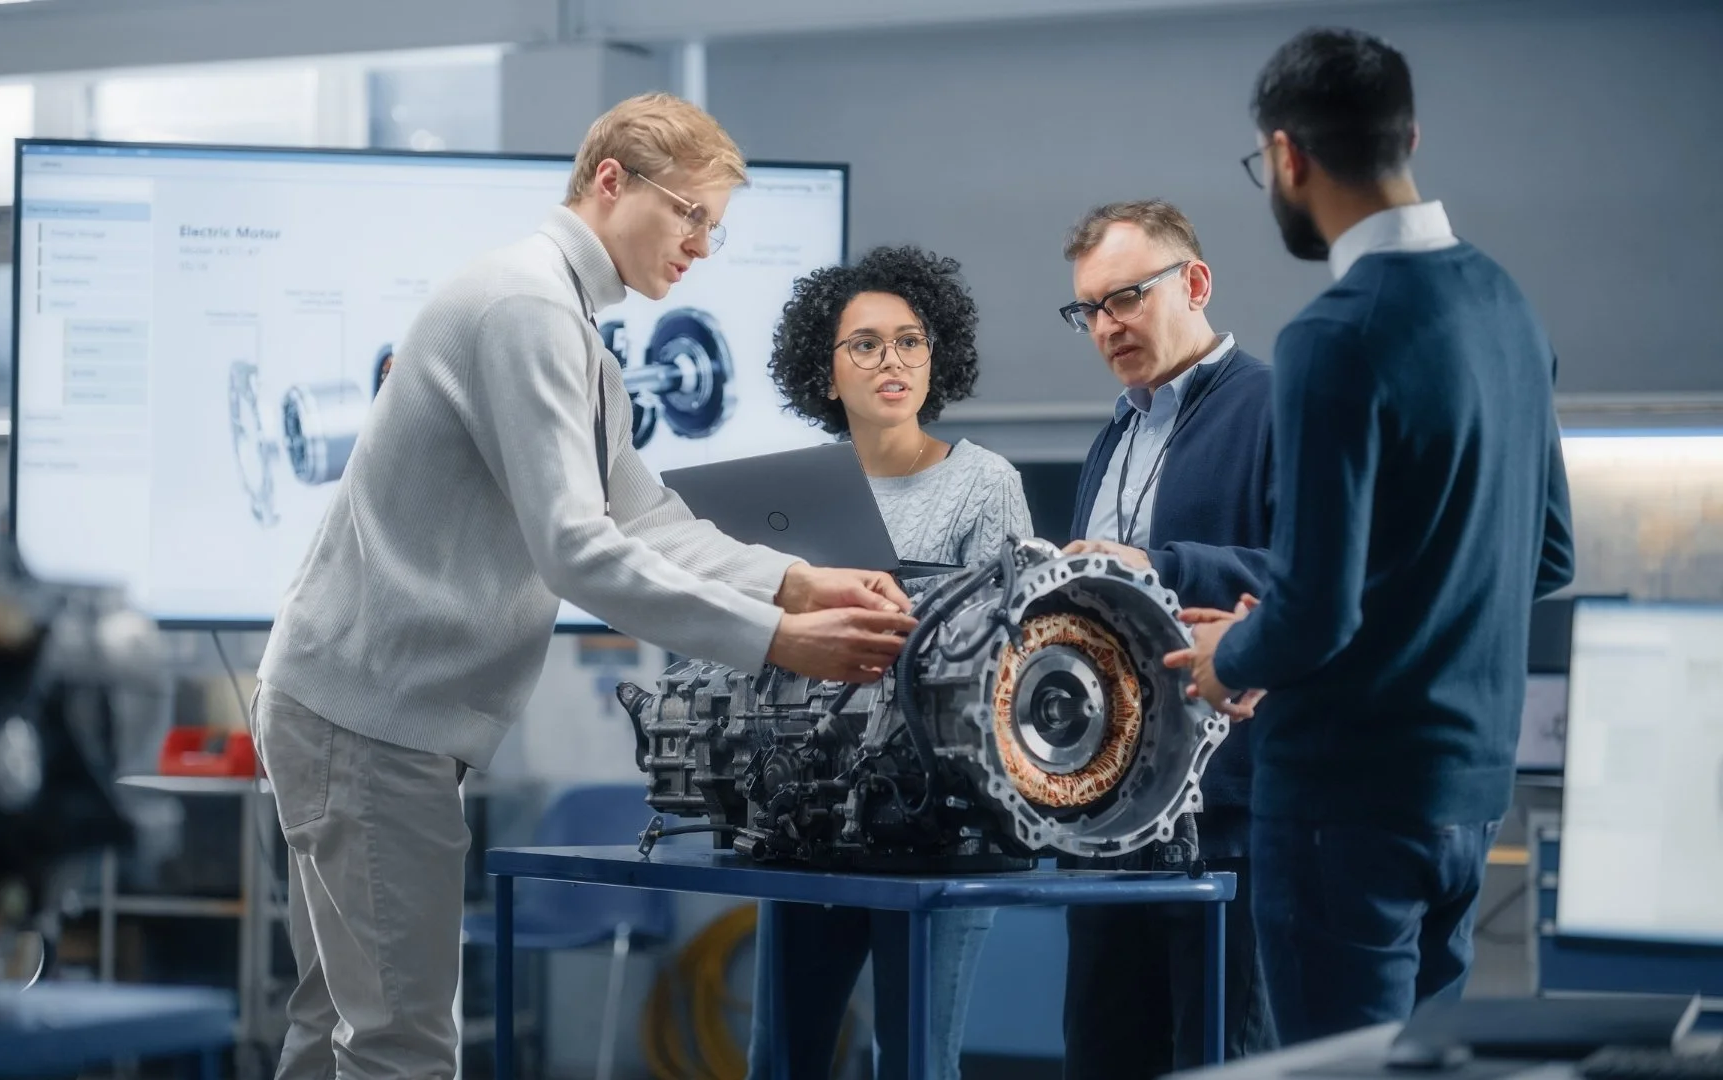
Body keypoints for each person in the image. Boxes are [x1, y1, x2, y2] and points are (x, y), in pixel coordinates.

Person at [252, 93, 919, 1080]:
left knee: (338, 1033)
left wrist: (797, 583)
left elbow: (643, 519)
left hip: (358, 711)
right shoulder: (526, 309)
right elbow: (578, 551)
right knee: (399, 1048)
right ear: (611, 182)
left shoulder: (563, 320)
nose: (702, 244)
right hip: (369, 721)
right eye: (689, 213)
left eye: (716, 229)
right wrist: (779, 641)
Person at [1166, 28, 1575, 1043]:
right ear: (1410, 137)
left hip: (1342, 807)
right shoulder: (1509, 307)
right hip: (1468, 799)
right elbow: (1551, 555)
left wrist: (1230, 654)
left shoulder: (1333, 334)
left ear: (1287, 157)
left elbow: (1313, 613)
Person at [747, 245, 1033, 1080]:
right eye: (865, 345)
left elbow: (1006, 652)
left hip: (939, 822)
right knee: (781, 1059)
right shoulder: (793, 494)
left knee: (915, 1062)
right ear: (827, 374)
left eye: (910, 341)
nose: (893, 361)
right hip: (810, 814)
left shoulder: (985, 485)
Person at [1054, 200, 1279, 1077]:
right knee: (1102, 1055)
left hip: (1226, 820)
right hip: (1107, 822)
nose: (1107, 327)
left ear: (1195, 283)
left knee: (1220, 1059)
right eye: (1089, 311)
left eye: (1127, 299)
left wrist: (1154, 563)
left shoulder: (1273, 406)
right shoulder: (1116, 432)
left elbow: (1308, 576)